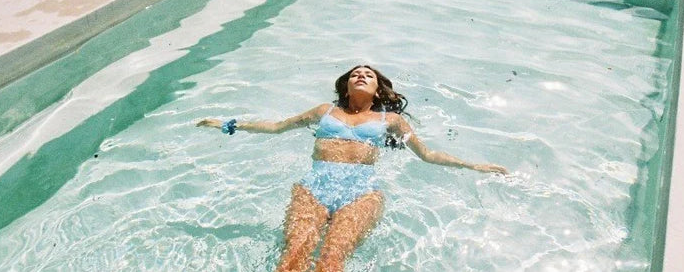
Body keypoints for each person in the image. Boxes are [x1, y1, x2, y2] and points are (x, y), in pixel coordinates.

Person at [197, 65, 507, 272]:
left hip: (360, 194)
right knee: (292, 258)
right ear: (346, 85)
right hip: (313, 188)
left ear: (378, 90)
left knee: (331, 261)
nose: (361, 75)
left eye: (368, 75)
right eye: (355, 73)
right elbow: (278, 127)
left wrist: (474, 165)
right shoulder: (325, 111)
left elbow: (426, 154)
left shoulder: (392, 122)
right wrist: (228, 124)